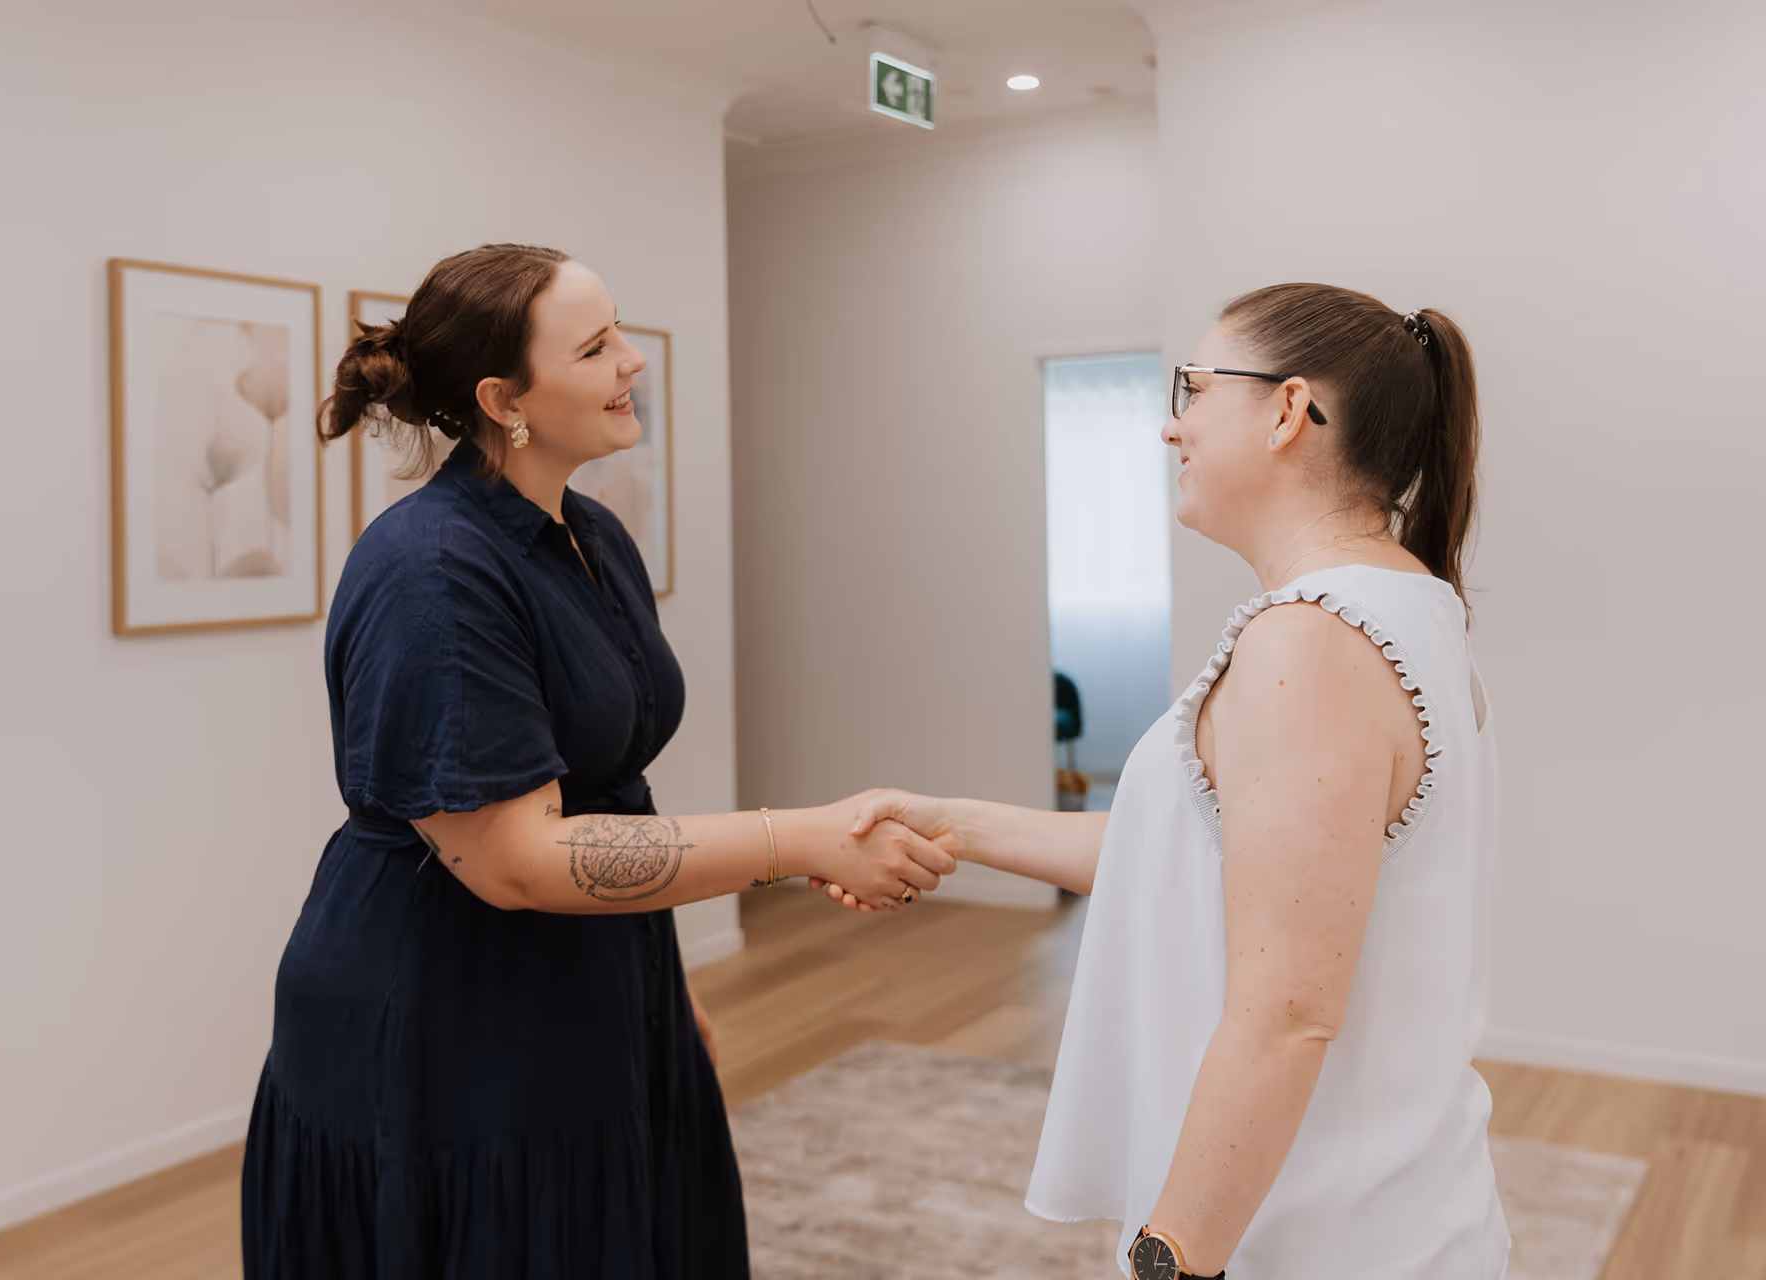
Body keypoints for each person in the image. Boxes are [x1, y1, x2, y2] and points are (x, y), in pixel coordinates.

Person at [241, 243, 956, 1279]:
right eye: (597, 345)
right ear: (504, 397)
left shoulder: (591, 533)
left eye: (620, 330)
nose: (635, 362)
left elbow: (596, 790)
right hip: (452, 1009)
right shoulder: (431, 569)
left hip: (594, 972)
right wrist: (794, 839)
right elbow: (512, 858)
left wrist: (657, 978)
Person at [833, 284, 1505, 1277]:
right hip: (1383, 1211)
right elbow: (1210, 859)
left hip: (1313, 1234)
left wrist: (1172, 1256)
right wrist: (949, 823)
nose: (1169, 423)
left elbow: (1287, 1014)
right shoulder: (1404, 602)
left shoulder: (1310, 643)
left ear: (1287, 409)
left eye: (1191, 386)